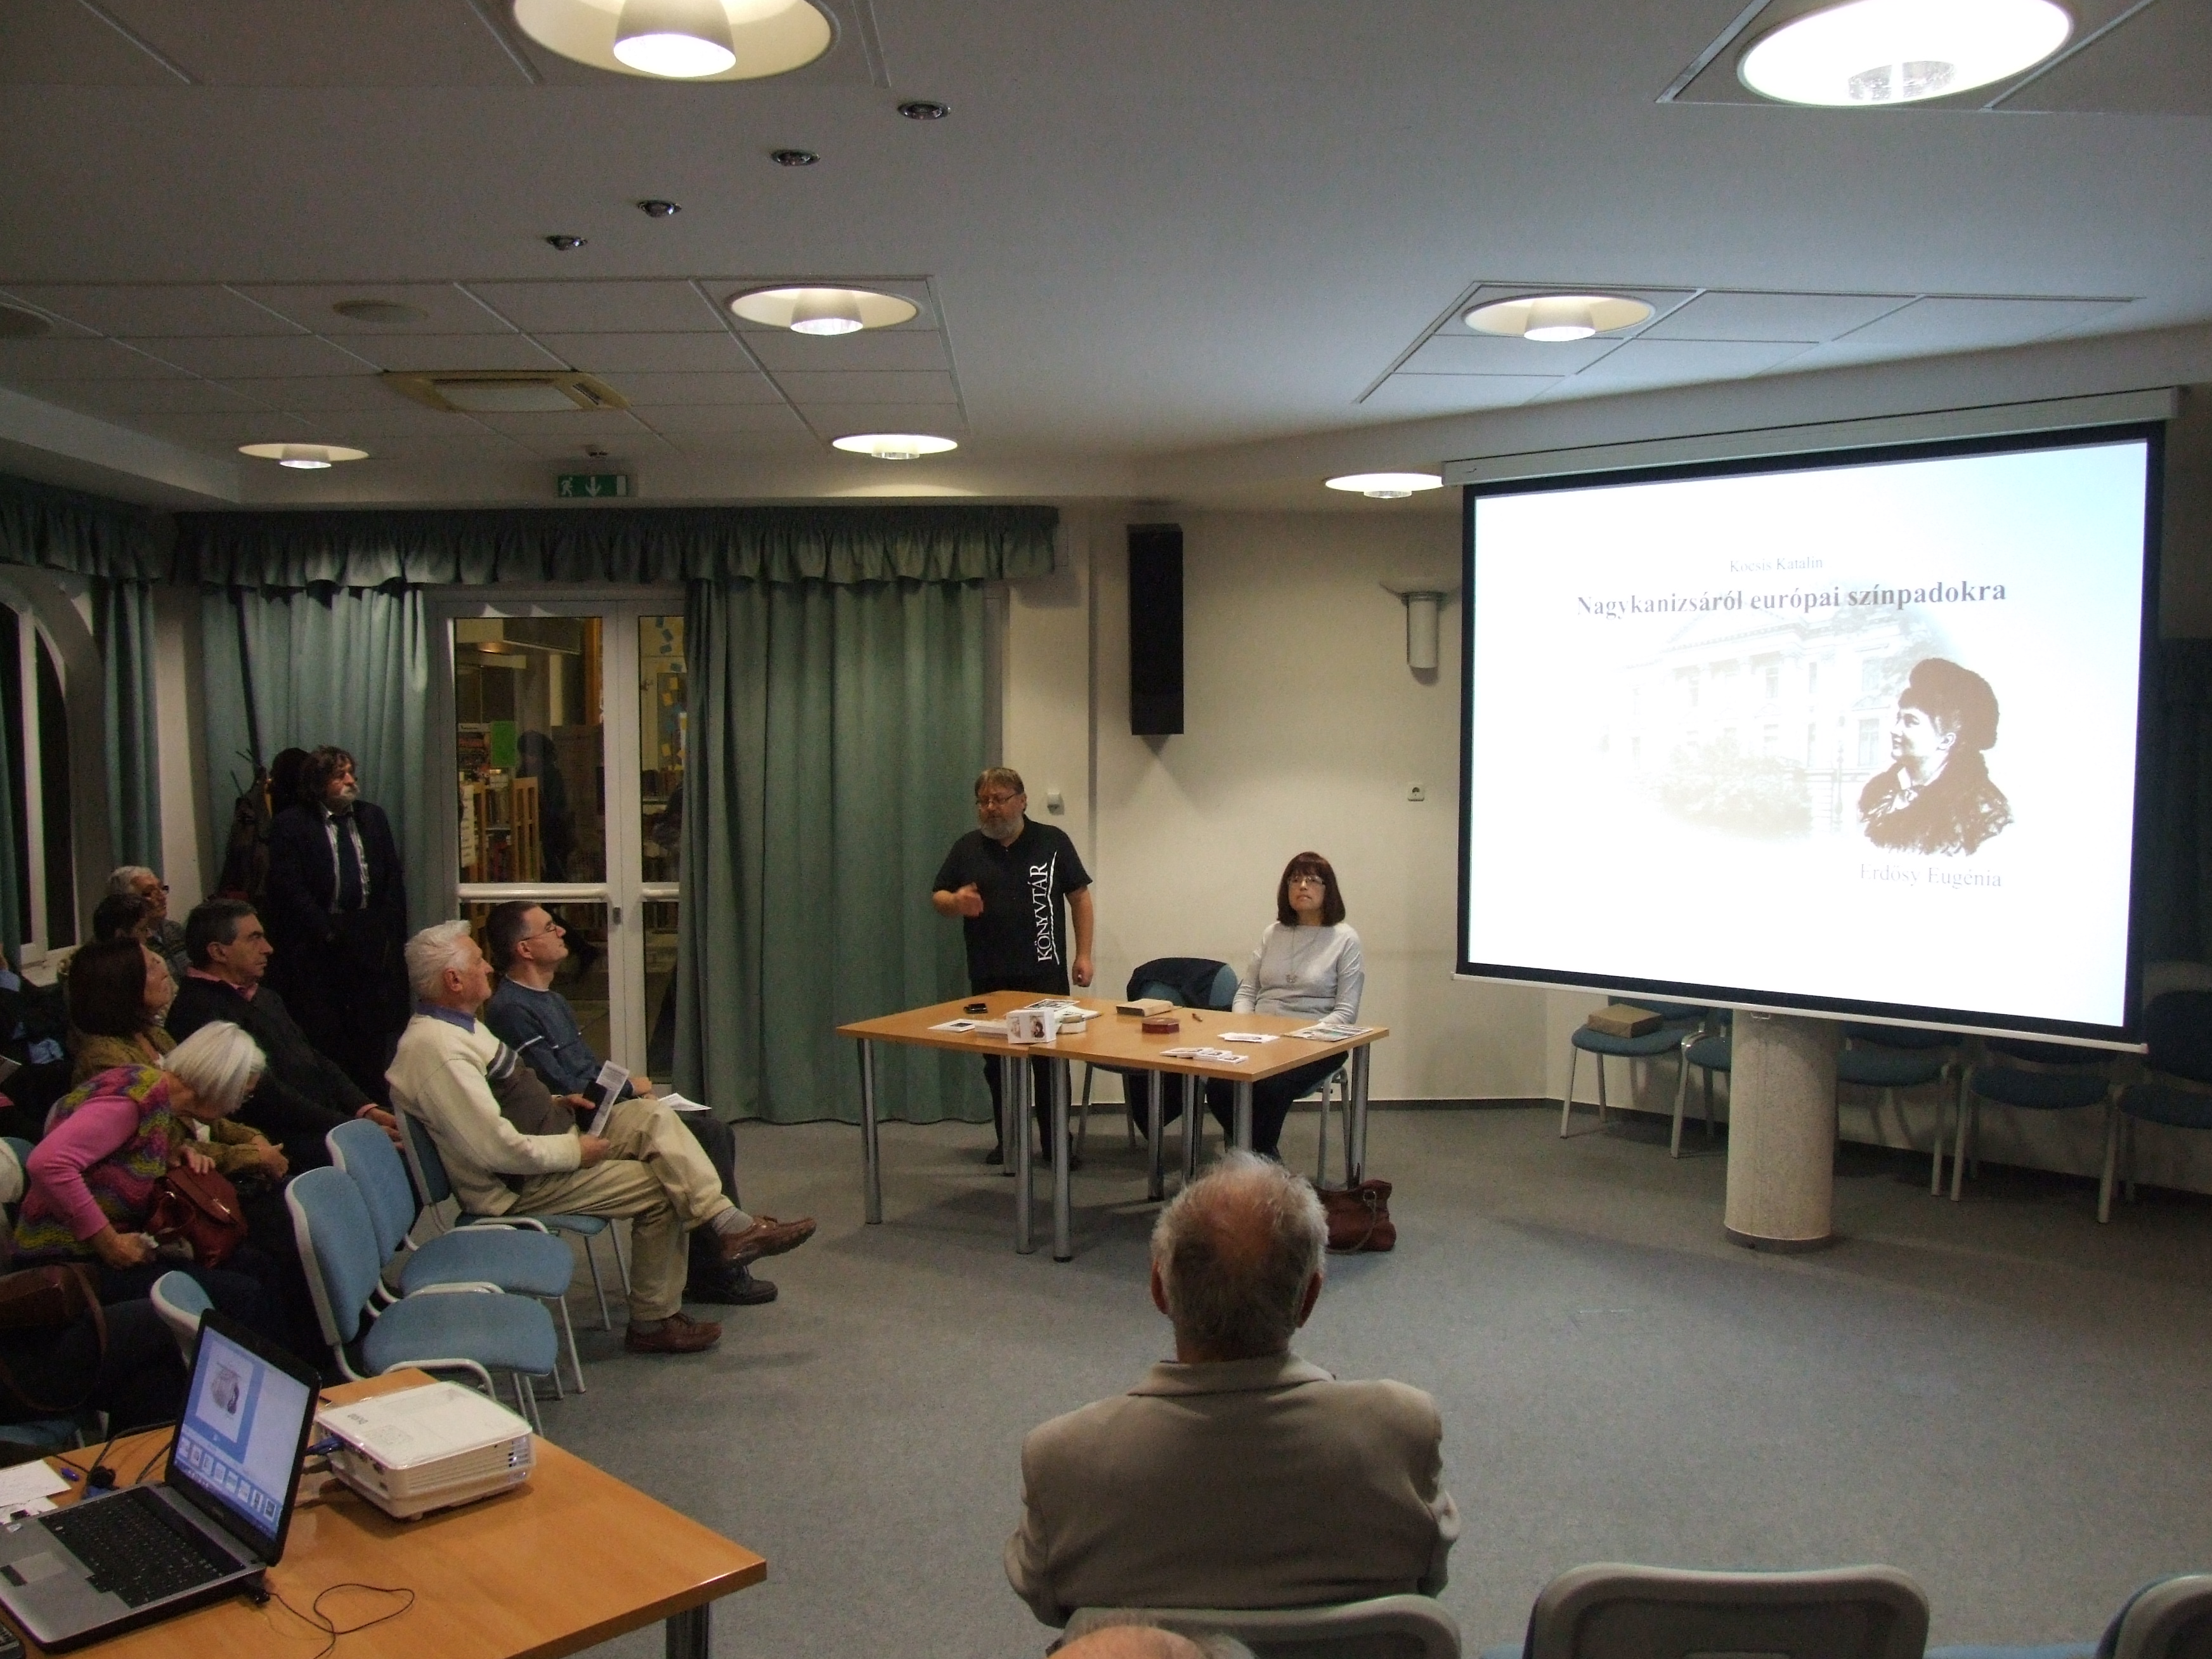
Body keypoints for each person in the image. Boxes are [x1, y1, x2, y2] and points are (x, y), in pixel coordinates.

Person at [1005, 1152, 1456, 1626]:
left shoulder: (1062, 1459)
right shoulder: (1403, 1430)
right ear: (1310, 1298)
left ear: (1159, 1288)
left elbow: (1045, 1597)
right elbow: (1428, 1574)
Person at [387, 921, 816, 1355]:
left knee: (650, 1115)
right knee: (665, 1187)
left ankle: (727, 1225)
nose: (488, 968)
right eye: (478, 961)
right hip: (519, 1184)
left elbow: (499, 1104)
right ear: (453, 979)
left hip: (551, 1135)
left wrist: (557, 1102)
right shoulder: (437, 1052)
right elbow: (496, 1148)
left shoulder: (459, 1027)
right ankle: (653, 1321)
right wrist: (575, 1151)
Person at [478, 900, 772, 1306]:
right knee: (706, 1136)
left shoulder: (552, 1000)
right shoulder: (511, 1010)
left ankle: (715, 1261)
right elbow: (562, 1086)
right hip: (571, 1126)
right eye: (549, 928)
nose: (561, 931)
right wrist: (630, 1089)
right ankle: (719, 1265)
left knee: (710, 1130)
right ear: (524, 949)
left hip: (597, 1111)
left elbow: (586, 1067)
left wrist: (632, 1088)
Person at [11, 1024, 280, 1340]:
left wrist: (172, 1154)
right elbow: (47, 1164)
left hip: (105, 1243)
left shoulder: (159, 1099)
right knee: (242, 1294)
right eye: (243, 1095)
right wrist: (109, 1243)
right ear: (222, 1085)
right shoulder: (134, 1100)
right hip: (67, 1256)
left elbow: (116, 1157)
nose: (237, 1106)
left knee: (255, 1265)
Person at [931, 767, 1095, 1166]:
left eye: (999, 799)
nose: (991, 808)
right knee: (998, 1063)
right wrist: (956, 902)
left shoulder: (1052, 842)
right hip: (990, 974)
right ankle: (1010, 1143)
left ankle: (1057, 1143)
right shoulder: (967, 848)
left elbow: (1079, 898)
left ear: (1022, 801)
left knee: (1049, 1061)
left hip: (1044, 973)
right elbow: (939, 896)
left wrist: (1084, 954)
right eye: (983, 801)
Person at [167, 898, 401, 1170]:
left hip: (323, 1122)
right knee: (393, 1160)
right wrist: (351, 1127)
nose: (268, 949)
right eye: (254, 939)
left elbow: (313, 1058)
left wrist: (365, 1108)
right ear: (219, 952)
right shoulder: (198, 1011)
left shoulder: (265, 997)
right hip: (280, 1139)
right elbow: (267, 1097)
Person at [264, 746, 411, 1098]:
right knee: (327, 1035)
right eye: (339, 775)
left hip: (368, 938)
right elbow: (290, 887)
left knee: (372, 1036)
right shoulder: (292, 824)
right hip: (319, 944)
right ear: (318, 782)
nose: (350, 781)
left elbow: (391, 877)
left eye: (351, 772)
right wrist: (327, 932)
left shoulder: (372, 817)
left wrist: (385, 931)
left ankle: (375, 1103)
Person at [1199, 852, 1364, 1161]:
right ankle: (1261, 1158)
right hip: (1261, 1037)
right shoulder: (1272, 933)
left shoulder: (1345, 939)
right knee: (1220, 1083)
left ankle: (1256, 1159)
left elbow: (1345, 1013)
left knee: (1269, 1086)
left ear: (1328, 889)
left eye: (1312, 880)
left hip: (1316, 1043)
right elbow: (1247, 992)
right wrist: (1245, 1027)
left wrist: (1299, 1037)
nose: (1302, 886)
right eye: (1295, 880)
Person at [1859, 658, 2013, 856]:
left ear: (1946, 741)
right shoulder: (1877, 795)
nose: (1895, 730)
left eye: (1911, 721)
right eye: (1899, 719)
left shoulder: (1980, 810)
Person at [107, 867, 189, 979]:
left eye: (161, 888)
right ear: (126, 902)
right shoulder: (126, 944)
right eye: (149, 893)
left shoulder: (173, 929)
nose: (162, 897)